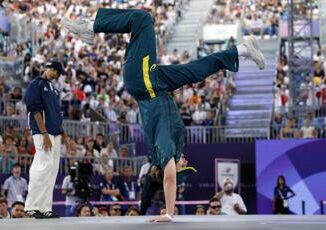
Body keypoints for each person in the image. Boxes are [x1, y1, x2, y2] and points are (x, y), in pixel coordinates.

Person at [63, 8, 264, 222]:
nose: (186, 160)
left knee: (143, 19)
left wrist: (169, 212)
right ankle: (241, 50)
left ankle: (89, 27)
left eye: (184, 165)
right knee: (197, 70)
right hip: (157, 85)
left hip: (145, 83)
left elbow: (169, 179)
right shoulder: (174, 146)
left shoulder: (166, 149)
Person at [24, 60, 73, 218]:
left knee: (52, 170)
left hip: (55, 133)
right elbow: (34, 108)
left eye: (57, 73)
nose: (55, 74)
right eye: (53, 70)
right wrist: (44, 134)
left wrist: (65, 137)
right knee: (42, 166)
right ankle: (32, 206)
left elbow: (57, 116)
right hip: (42, 132)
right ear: (47, 68)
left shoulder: (55, 90)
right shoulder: (36, 84)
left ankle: (45, 207)